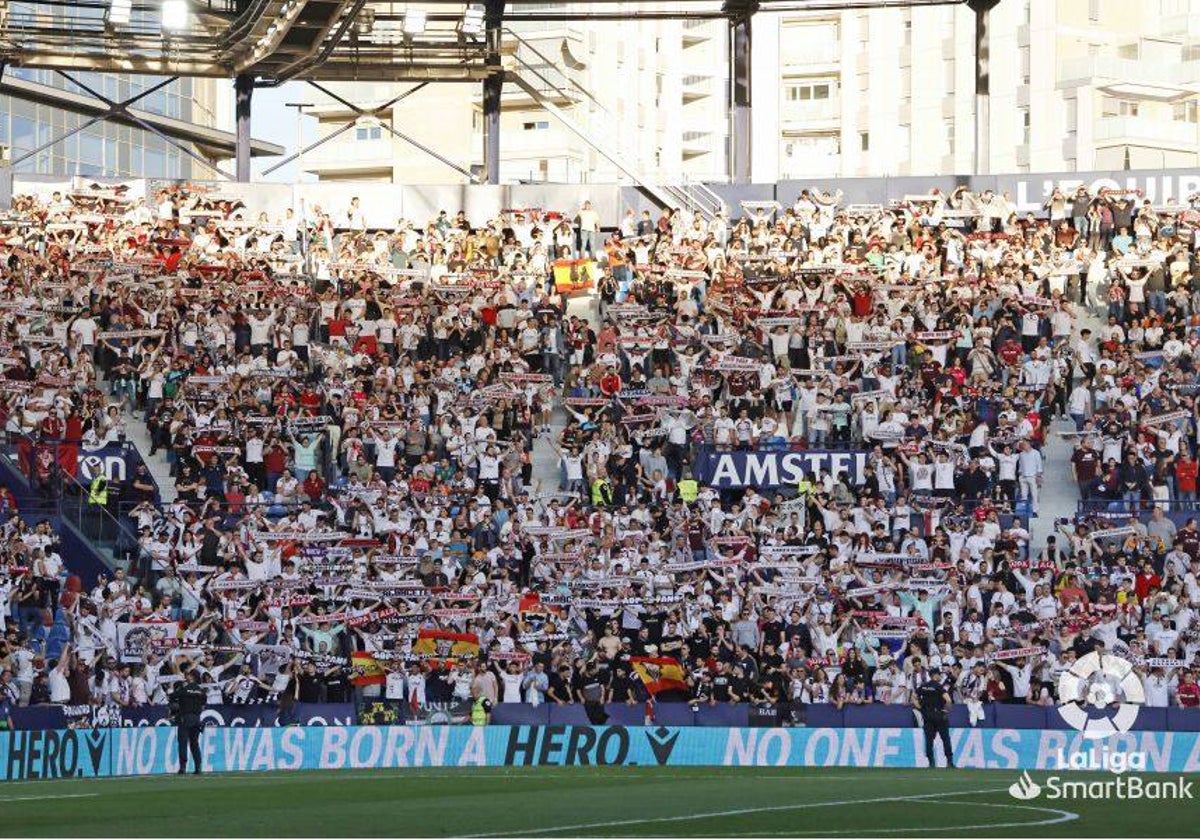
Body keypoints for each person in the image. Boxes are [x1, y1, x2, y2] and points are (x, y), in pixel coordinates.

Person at [913, 667, 955, 769]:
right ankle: (949, 762)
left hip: (927, 715)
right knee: (945, 739)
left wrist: (920, 707)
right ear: (935, 675)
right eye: (939, 674)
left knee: (929, 740)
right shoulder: (938, 686)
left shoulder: (923, 686)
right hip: (939, 715)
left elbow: (914, 696)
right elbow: (948, 700)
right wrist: (945, 710)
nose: (940, 676)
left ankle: (931, 763)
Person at [168, 669, 207, 775]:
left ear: (192, 677)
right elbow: (203, 706)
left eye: (188, 675)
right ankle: (198, 767)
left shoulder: (184, 690)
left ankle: (183, 767)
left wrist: (171, 687)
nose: (186, 676)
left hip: (185, 718)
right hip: (196, 719)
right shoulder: (201, 691)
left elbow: (172, 696)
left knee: (183, 743)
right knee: (194, 743)